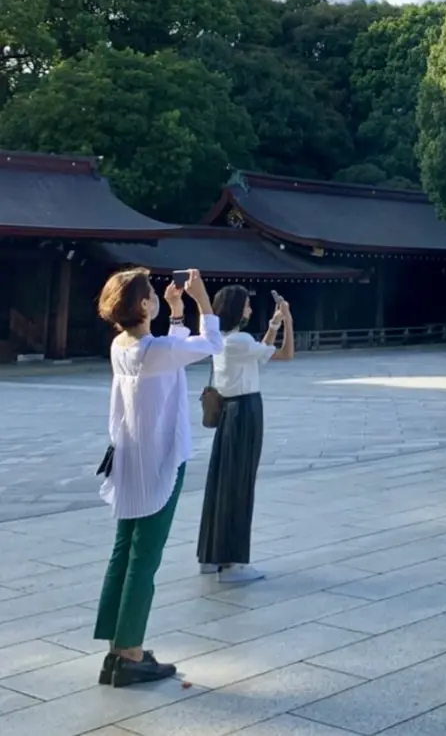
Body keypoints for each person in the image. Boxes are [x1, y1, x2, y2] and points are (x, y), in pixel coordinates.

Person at [94, 268, 219, 688]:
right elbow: (210, 345)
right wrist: (203, 302)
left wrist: (177, 313)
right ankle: (130, 653)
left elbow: (174, 349)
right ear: (145, 305)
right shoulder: (155, 352)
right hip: (160, 462)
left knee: (124, 549)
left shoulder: (121, 346)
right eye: (151, 293)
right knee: (145, 555)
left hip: (129, 459)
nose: (156, 295)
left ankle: (116, 648)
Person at [197, 286, 294, 583]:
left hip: (229, 410)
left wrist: (273, 325)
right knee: (240, 483)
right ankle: (233, 563)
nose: (251, 309)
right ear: (238, 309)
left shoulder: (225, 340)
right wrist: (288, 320)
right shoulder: (240, 340)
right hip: (246, 411)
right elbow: (285, 355)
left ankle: (210, 557)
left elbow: (259, 355)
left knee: (222, 482)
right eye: (247, 305)